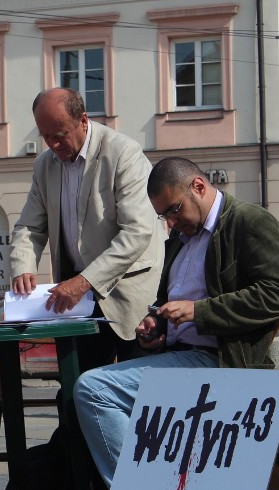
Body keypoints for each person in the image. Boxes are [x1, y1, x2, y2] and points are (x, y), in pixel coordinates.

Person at [74, 157, 279, 487]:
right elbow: (172, 303)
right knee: (95, 390)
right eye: (164, 215)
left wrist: (200, 311)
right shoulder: (179, 242)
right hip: (185, 360)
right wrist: (157, 327)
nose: (171, 221)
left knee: (94, 390)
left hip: (221, 364)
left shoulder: (249, 221)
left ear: (199, 186)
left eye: (174, 209)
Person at [10, 87, 166, 372]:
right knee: (75, 390)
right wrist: (23, 265)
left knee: (137, 391)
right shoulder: (44, 164)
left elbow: (137, 233)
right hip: (77, 300)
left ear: (83, 120)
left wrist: (83, 281)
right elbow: (29, 226)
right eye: (45, 136)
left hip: (131, 294)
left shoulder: (123, 152)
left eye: (60, 135)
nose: (53, 144)